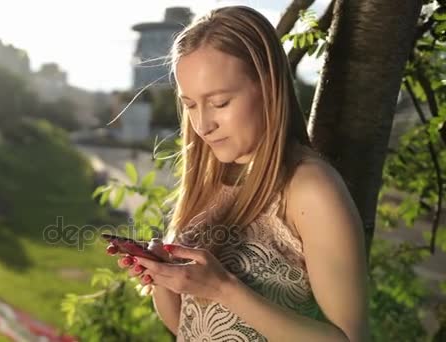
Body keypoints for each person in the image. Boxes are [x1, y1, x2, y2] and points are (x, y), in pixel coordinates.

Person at [108, 5, 369, 341]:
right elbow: (189, 328)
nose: (203, 125)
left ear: (268, 87)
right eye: (190, 105)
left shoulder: (311, 188)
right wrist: (166, 279)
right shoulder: (210, 184)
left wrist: (222, 288)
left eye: (219, 103)